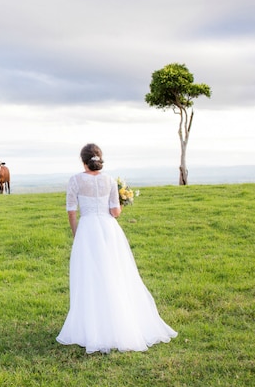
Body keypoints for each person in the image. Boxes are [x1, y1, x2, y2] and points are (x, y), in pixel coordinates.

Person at [56, 143, 177, 354]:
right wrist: (123, 200)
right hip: (109, 230)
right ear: (99, 159)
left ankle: (92, 327)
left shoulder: (75, 180)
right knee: (115, 273)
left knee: (90, 276)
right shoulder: (110, 180)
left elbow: (71, 212)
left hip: (87, 229)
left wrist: (77, 234)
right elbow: (115, 212)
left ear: (83, 161)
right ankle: (120, 323)